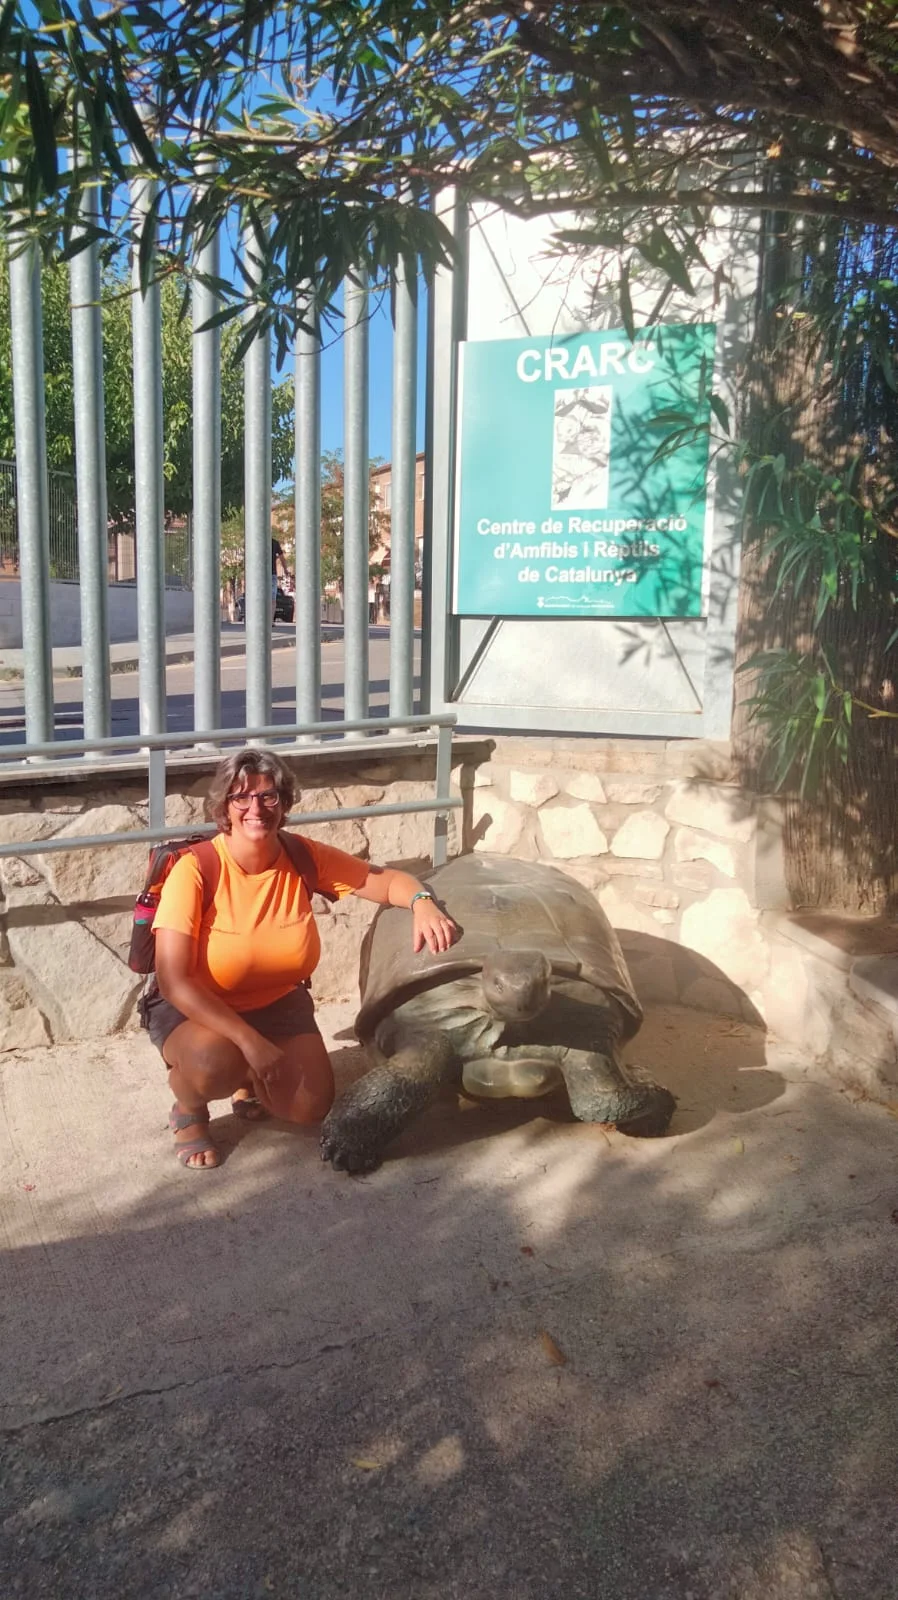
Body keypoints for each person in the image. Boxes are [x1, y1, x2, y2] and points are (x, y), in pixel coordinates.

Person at [148, 747, 459, 1171]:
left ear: (285, 802)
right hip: (200, 1010)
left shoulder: (301, 857)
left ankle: (247, 1080)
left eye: (269, 796)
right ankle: (189, 1110)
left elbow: (386, 883)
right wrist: (249, 1042)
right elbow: (173, 981)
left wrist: (423, 901)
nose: (256, 808)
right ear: (223, 806)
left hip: (278, 1005)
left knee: (310, 1108)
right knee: (212, 1064)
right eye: (242, 797)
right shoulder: (196, 869)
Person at [271, 537, 288, 622]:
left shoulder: (256, 541)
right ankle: (270, 620)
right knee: (272, 599)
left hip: (260, 576)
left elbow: (281, 557)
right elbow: (282, 558)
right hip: (272, 574)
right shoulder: (274, 542)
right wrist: (285, 570)